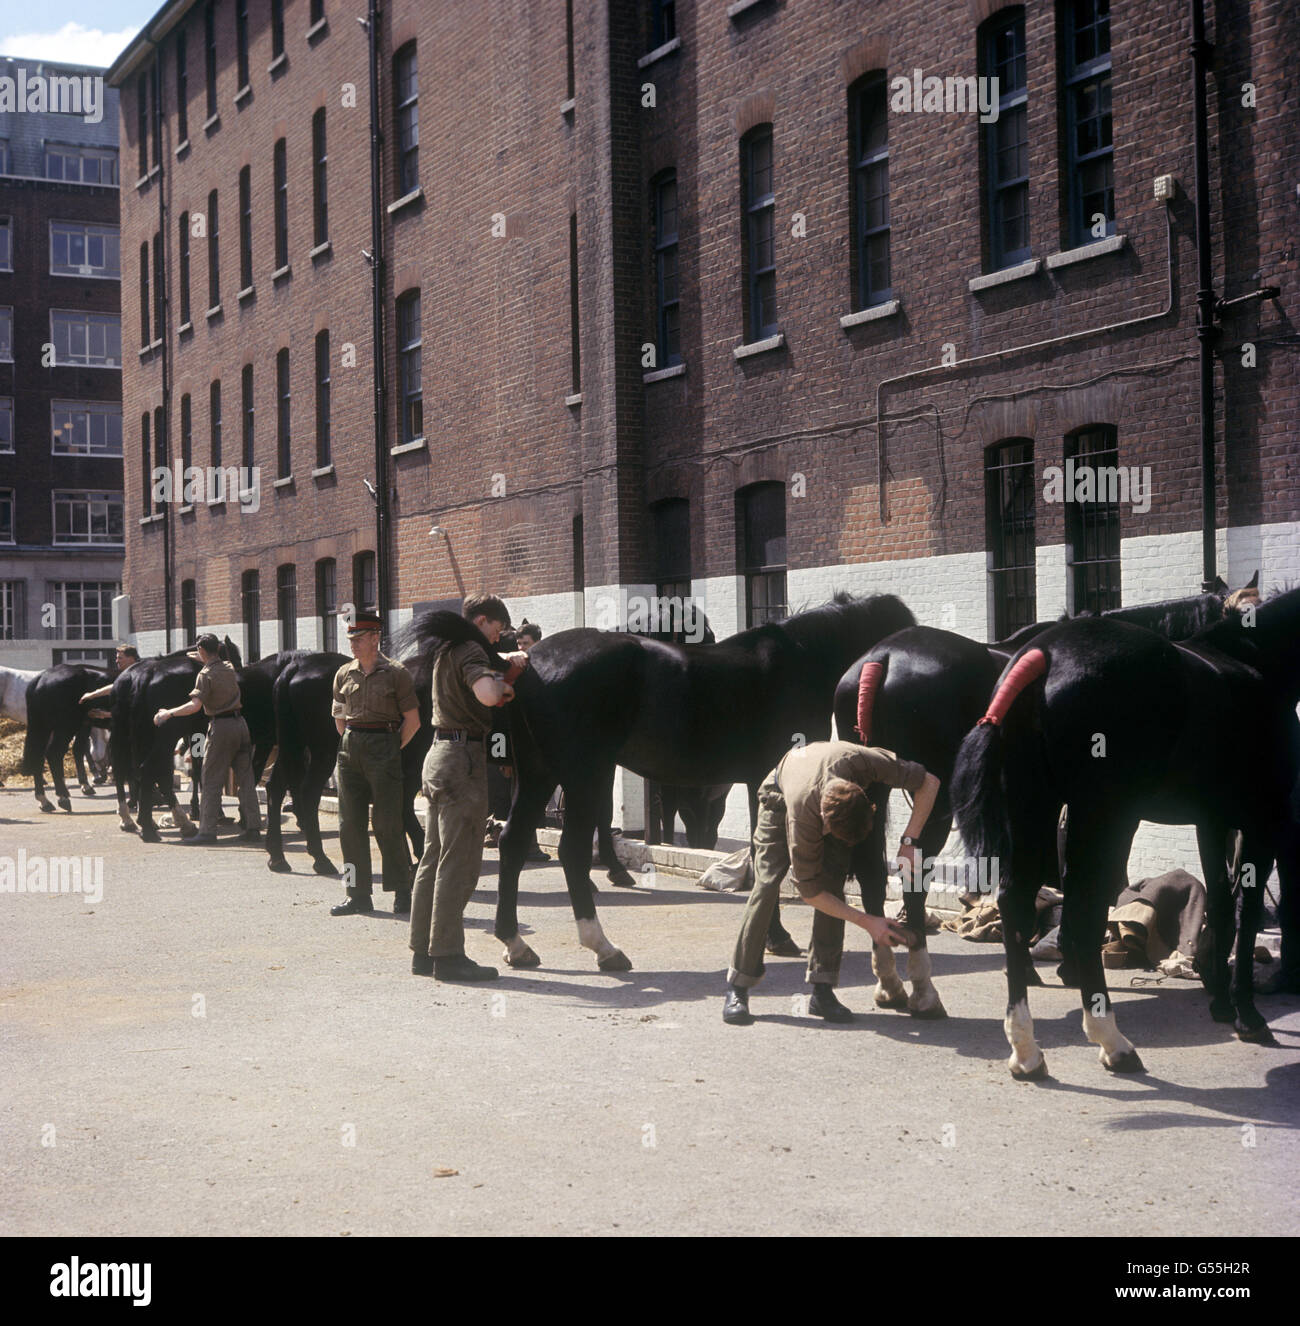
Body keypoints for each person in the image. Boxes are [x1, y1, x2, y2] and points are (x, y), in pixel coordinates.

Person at [722, 739, 941, 1025]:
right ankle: (738, 986)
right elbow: (809, 892)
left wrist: (909, 841)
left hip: (826, 782)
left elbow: (930, 782)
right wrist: (867, 921)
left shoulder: (866, 763)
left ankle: (822, 991)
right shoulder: (803, 817)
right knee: (767, 885)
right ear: (825, 822)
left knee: (833, 887)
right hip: (779, 797)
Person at [409, 593, 528, 981]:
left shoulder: (444, 650)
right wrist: (507, 684)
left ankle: (423, 952)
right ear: (481, 621)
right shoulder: (470, 650)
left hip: (439, 755)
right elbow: (487, 695)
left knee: (433, 857)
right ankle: (449, 955)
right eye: (496, 629)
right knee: (459, 863)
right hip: (464, 761)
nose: (498, 638)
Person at [330, 610, 421, 916]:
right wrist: (350, 743)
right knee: (348, 826)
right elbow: (339, 717)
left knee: (387, 824)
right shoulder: (344, 673)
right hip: (350, 750)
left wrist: (392, 747)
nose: (353, 645)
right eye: (350, 639)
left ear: (374, 638)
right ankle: (356, 894)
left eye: (358, 639)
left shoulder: (396, 673)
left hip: (384, 746)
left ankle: (402, 890)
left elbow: (413, 721)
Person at [152, 633, 262, 844]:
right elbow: (208, 657)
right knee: (246, 781)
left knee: (211, 780)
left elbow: (194, 706)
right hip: (241, 726)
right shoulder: (229, 667)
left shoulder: (205, 675)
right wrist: (202, 654)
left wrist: (168, 713)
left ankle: (207, 831)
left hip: (220, 727)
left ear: (203, 651)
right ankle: (253, 828)